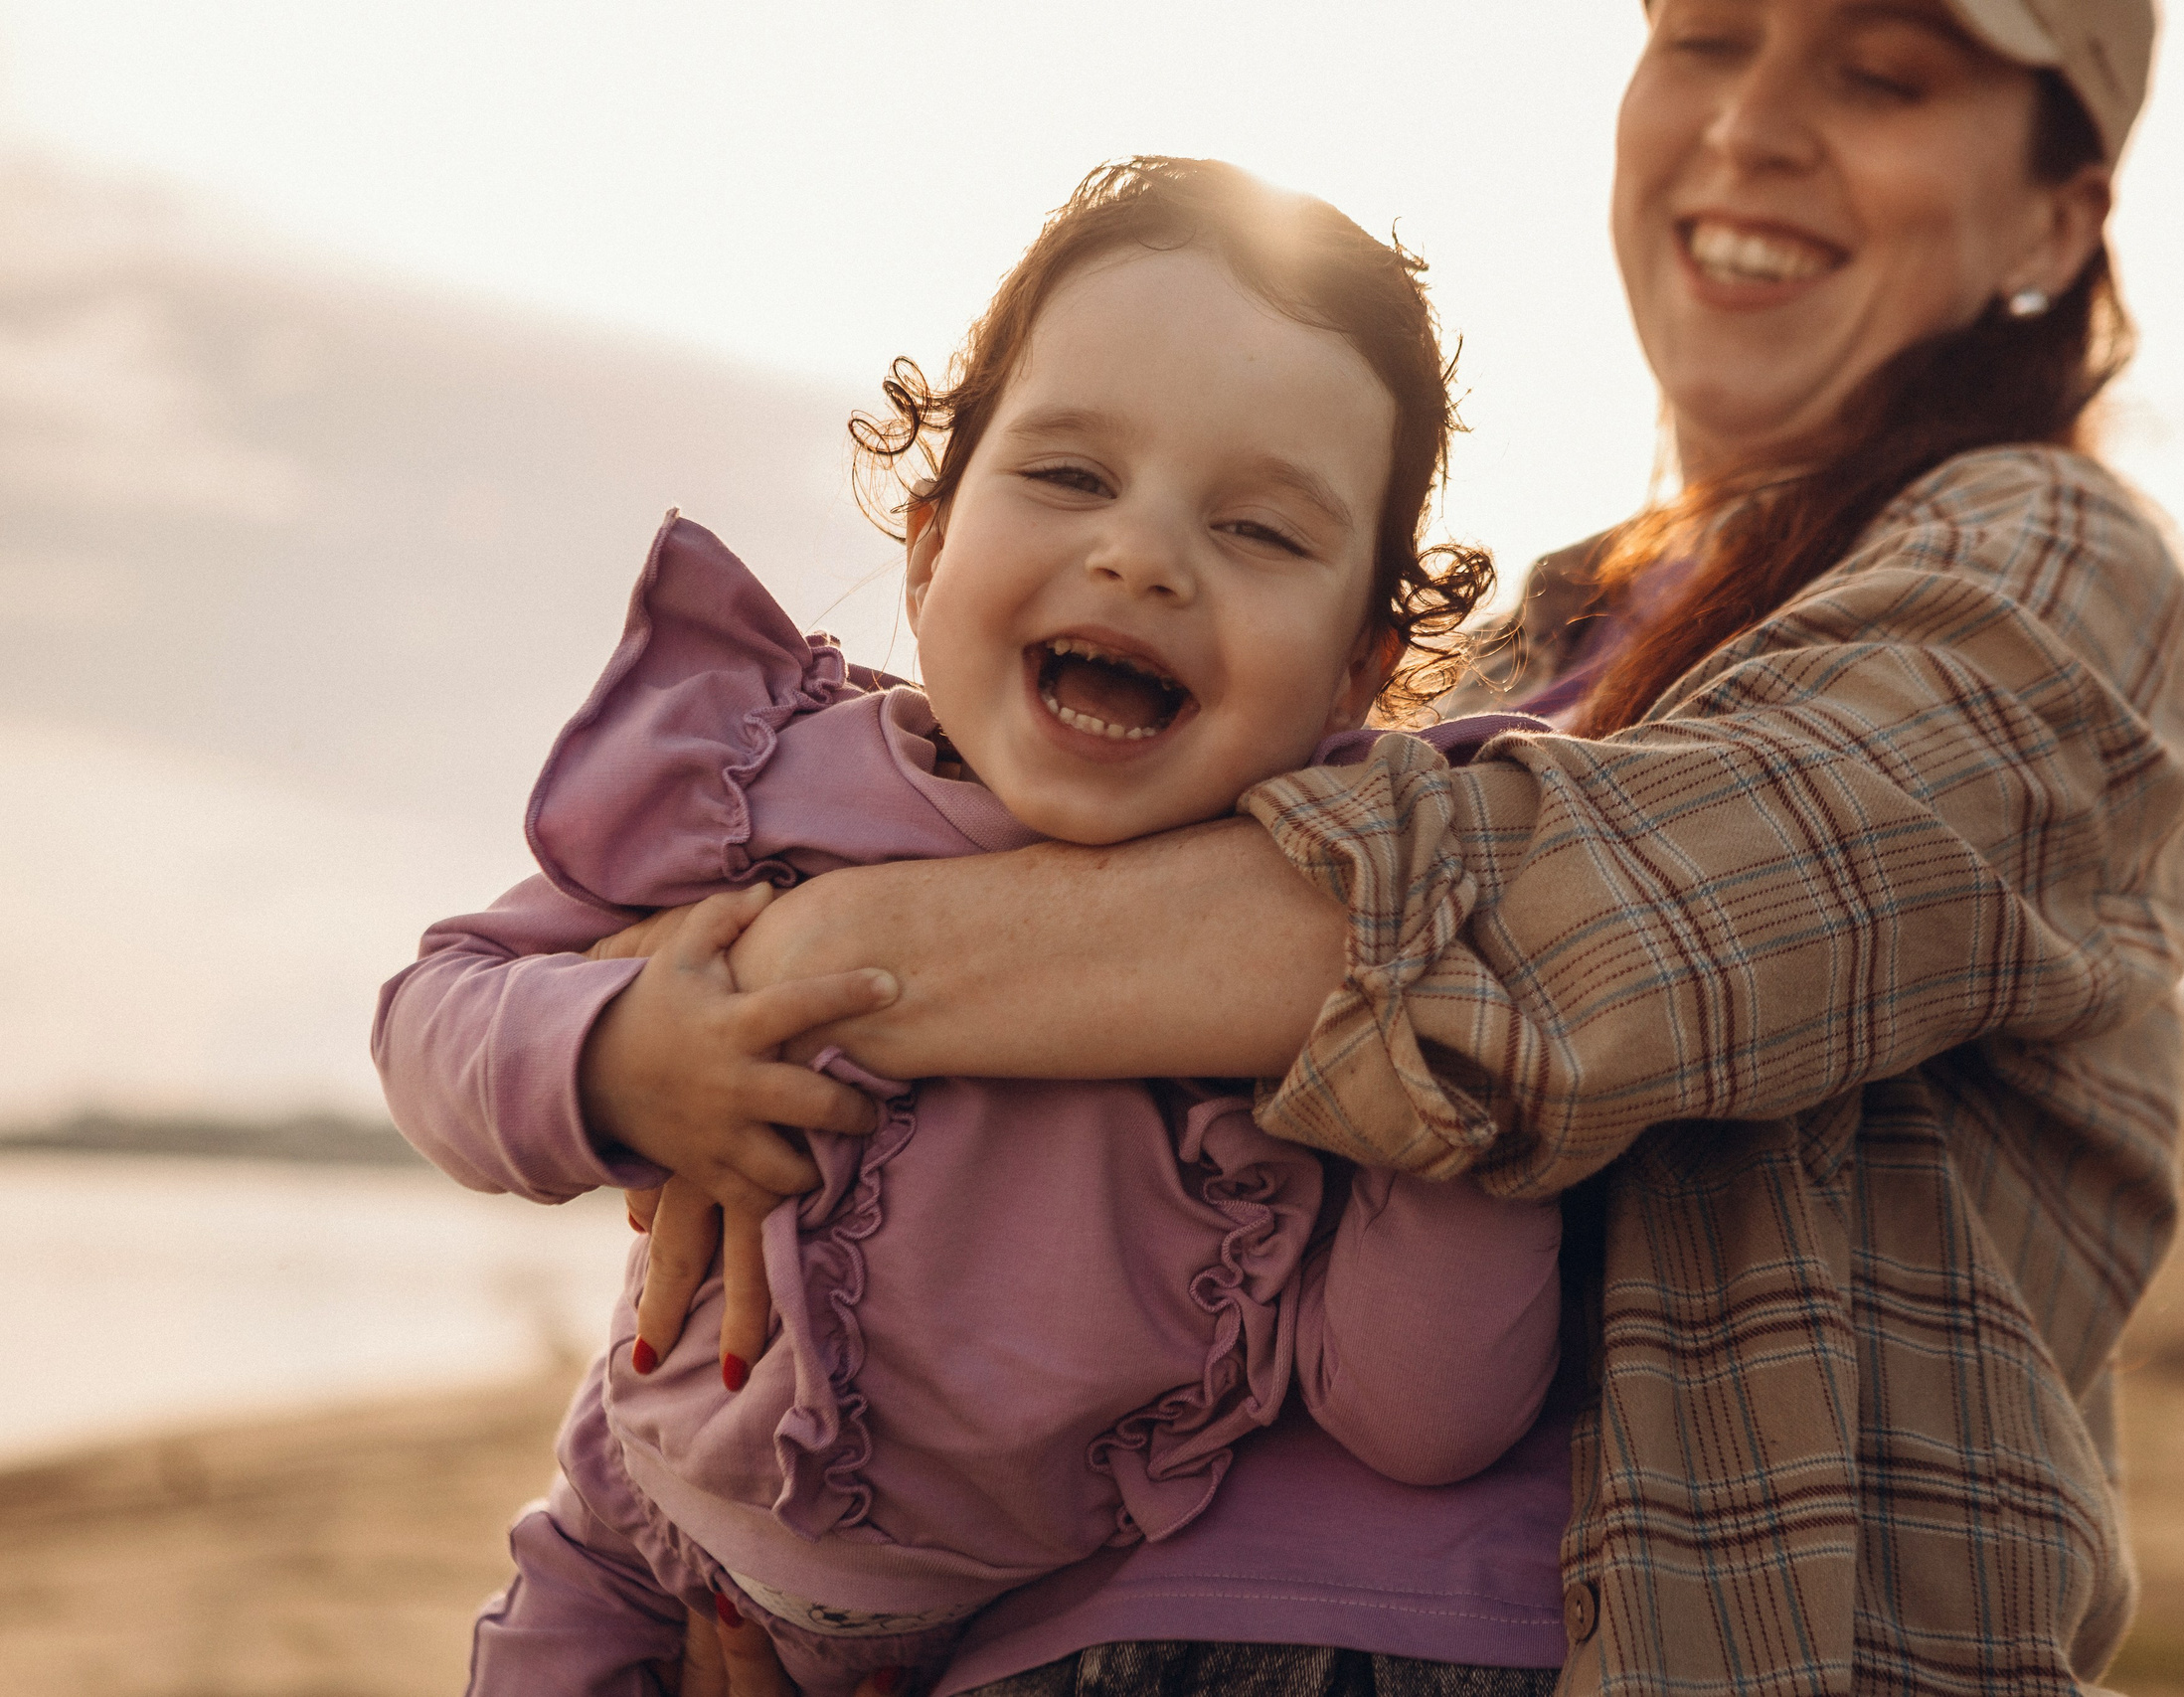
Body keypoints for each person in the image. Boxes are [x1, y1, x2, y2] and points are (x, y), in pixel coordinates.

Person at [619, 0, 2184, 1690]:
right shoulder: (1543, 645)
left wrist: (786, 966)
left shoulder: (2047, 570)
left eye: (1881, 74)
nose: (1752, 127)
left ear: (2057, 217)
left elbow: (1563, 932)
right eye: (1708, 39)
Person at [373, 160, 1569, 1694]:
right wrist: (614, 1058)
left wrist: (1463, 1044)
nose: (1142, 556)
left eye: (1261, 530)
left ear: (1356, 670)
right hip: (638, 1530)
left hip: (1017, 1624)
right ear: (930, 548)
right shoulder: (771, 791)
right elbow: (433, 1009)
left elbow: (1423, 1414)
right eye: (1070, 478)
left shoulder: (1311, 940)